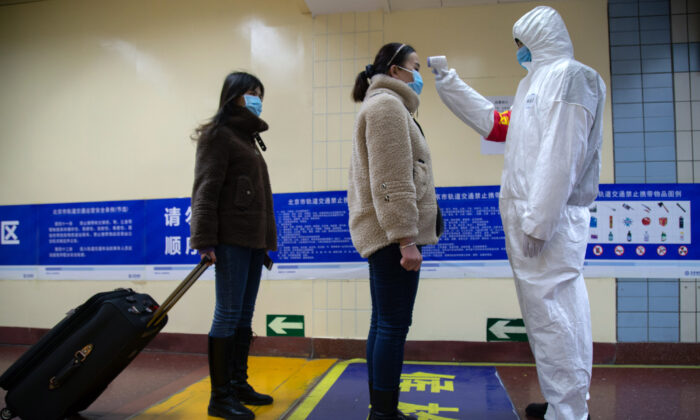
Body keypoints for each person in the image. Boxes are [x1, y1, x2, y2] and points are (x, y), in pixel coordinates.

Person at [428, 6, 605, 420]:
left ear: (538, 37)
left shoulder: (570, 76)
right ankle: (563, 402)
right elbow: (494, 124)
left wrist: (539, 222)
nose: (518, 52)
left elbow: (562, 156)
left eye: (520, 43)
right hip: (532, 219)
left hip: (548, 223)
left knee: (557, 318)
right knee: (546, 319)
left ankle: (570, 412)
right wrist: (448, 82)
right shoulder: (533, 85)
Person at [348, 42, 441, 420]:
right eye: (415, 66)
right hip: (392, 236)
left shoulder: (388, 105)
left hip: (386, 233)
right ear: (395, 69)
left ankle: (380, 409)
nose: (420, 75)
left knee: (382, 322)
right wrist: (406, 238)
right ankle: (384, 413)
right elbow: (391, 180)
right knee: (392, 325)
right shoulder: (387, 106)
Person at [190, 71, 277, 420]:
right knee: (227, 314)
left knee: (243, 315)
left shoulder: (248, 138)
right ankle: (220, 396)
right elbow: (205, 190)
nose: (256, 98)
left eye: (260, 93)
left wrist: (266, 241)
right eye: (251, 92)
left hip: (253, 241)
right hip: (229, 240)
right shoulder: (218, 136)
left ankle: (238, 384)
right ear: (234, 96)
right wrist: (204, 240)